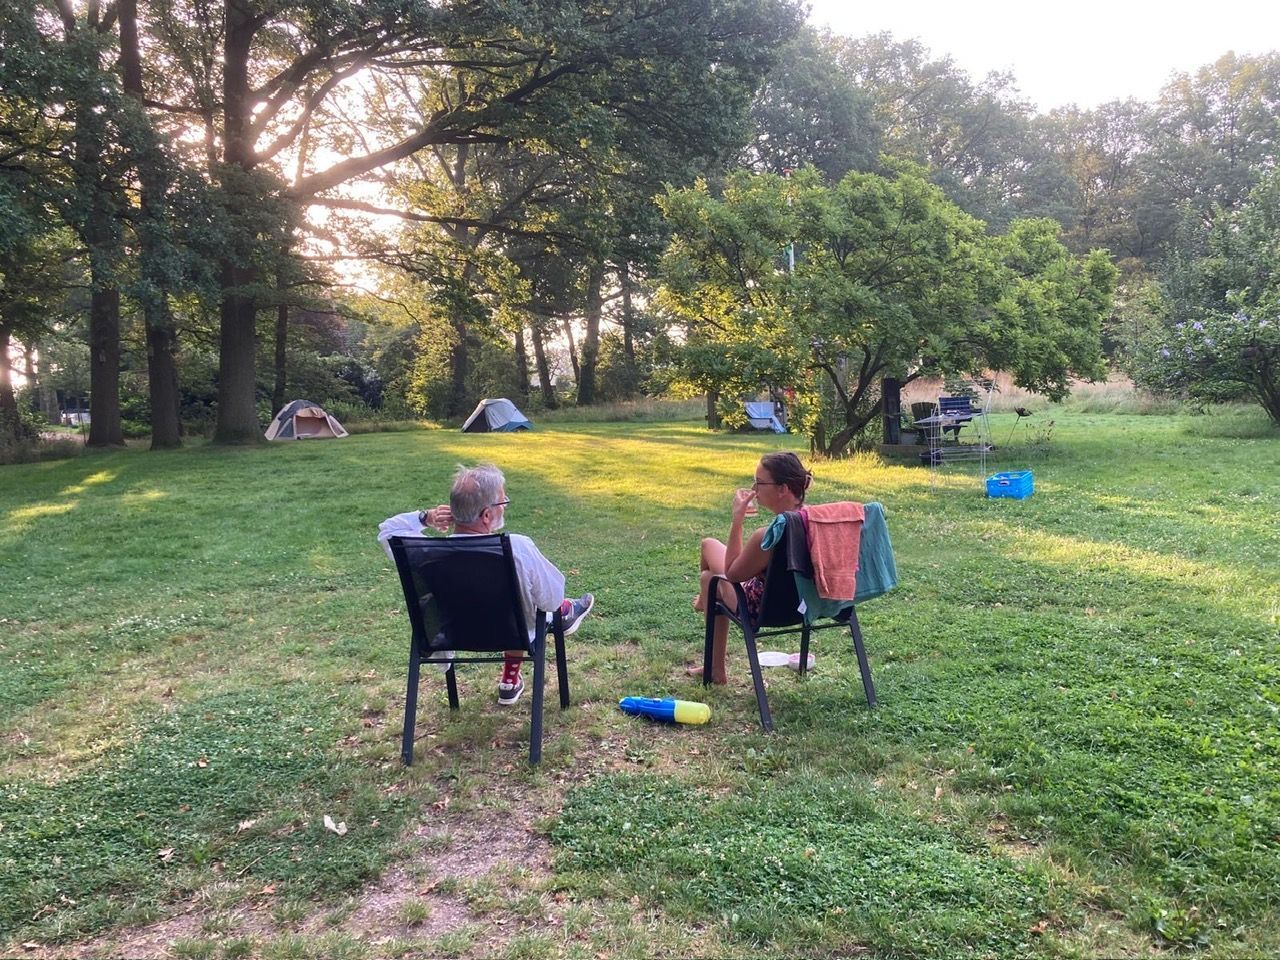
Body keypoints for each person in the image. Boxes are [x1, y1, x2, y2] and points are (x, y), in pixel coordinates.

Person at [379, 463, 594, 706]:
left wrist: (425, 517)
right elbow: (551, 600)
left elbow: (388, 530)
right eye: (503, 501)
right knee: (536, 601)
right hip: (512, 631)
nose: (506, 505)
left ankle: (555, 625)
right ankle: (565, 614)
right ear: (486, 516)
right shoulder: (517, 548)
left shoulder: (422, 552)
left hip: (451, 632)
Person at [691, 451, 811, 684]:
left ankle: (704, 601)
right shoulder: (817, 520)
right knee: (708, 571)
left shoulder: (767, 536)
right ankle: (715, 668)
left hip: (763, 607)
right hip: (808, 604)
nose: (754, 488)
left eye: (759, 482)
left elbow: (732, 573)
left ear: (782, 489)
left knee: (709, 563)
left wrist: (737, 519)